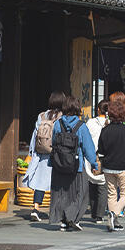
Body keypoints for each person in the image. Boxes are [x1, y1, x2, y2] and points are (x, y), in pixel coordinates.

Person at [48, 95, 99, 232]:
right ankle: (72, 218)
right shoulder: (80, 126)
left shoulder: (58, 124)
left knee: (61, 194)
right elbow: (88, 147)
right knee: (81, 193)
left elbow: (53, 143)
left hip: (59, 165)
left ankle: (63, 221)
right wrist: (94, 163)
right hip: (76, 166)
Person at [23, 91, 65, 222]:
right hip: (55, 154)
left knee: (40, 183)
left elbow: (34, 136)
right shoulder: (62, 117)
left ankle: (35, 209)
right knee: (57, 183)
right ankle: (56, 211)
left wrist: (32, 152)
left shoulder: (41, 115)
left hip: (41, 154)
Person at [98, 99, 125, 232]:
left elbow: (101, 150)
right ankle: (114, 214)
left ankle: (114, 220)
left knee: (111, 194)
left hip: (108, 166)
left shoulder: (105, 130)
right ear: (124, 114)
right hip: (123, 167)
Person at [85, 100, 109, 224]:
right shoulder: (109, 123)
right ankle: (100, 215)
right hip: (105, 156)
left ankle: (94, 212)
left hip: (91, 155)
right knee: (103, 185)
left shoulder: (90, 122)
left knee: (92, 183)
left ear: (98, 109)